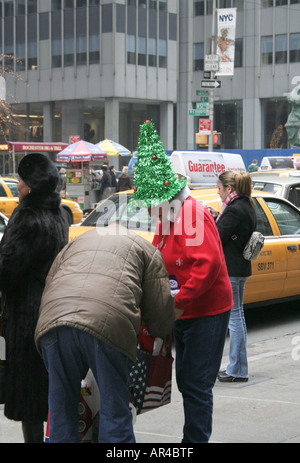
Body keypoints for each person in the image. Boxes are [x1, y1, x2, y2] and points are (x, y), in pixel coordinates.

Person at [130, 120, 233, 443]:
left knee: (195, 383)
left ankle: (195, 441)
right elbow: (157, 260)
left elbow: (208, 265)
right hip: (183, 312)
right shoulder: (168, 217)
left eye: (150, 203)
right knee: (187, 380)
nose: (148, 210)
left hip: (205, 312)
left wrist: (176, 302)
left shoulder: (192, 214)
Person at [35, 227, 175, 443]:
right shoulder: (147, 250)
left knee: (60, 413)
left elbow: (50, 283)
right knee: (114, 413)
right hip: (107, 325)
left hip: (54, 322)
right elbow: (159, 317)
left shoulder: (75, 244)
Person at [0, 153, 69, 443]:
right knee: (48, 384)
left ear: (30, 186)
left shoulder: (27, 217)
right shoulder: (59, 214)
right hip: (52, 307)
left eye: (21, 181)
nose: (18, 186)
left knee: (27, 390)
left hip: (26, 313)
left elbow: (6, 270)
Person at [209, 171, 257, 383]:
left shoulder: (234, 210)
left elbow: (217, 236)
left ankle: (237, 370)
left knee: (234, 318)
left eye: (220, 188)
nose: (218, 193)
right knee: (238, 317)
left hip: (232, 269)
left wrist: (212, 219)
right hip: (240, 268)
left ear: (229, 189)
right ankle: (238, 367)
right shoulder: (247, 205)